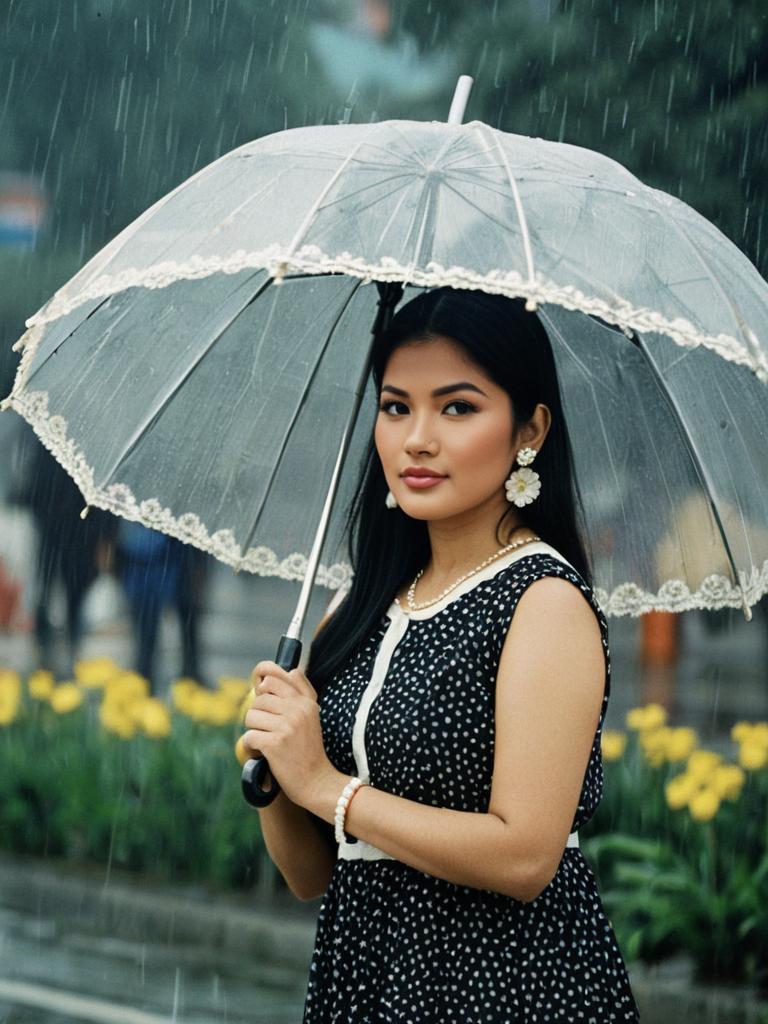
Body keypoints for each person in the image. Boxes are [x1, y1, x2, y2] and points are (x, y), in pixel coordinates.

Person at [240, 287, 641, 1022]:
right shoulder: (358, 603)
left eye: (457, 407)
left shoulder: (542, 601)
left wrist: (329, 788)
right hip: (366, 978)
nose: (417, 439)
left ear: (530, 429)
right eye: (396, 407)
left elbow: (524, 857)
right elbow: (311, 876)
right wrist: (278, 771)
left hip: (502, 983)